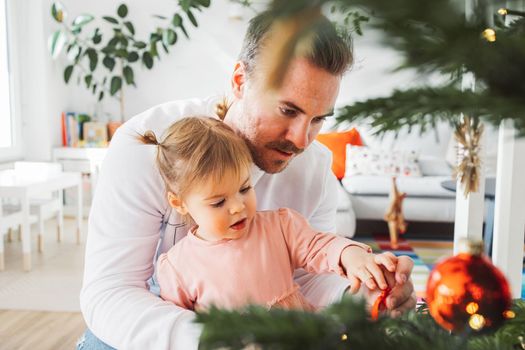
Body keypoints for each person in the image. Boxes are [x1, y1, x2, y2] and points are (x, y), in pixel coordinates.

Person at [78, 11, 416, 350]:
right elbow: (111, 291)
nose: (300, 140)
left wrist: (361, 293)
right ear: (240, 81)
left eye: (317, 120)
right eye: (288, 111)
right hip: (157, 318)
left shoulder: (315, 169)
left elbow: (306, 276)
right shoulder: (147, 148)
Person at [140, 117, 398, 312]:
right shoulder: (176, 266)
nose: (238, 207)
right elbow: (178, 326)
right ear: (179, 202)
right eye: (218, 202)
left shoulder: (280, 226)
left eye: (244, 189)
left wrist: (348, 254)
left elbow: (318, 245)